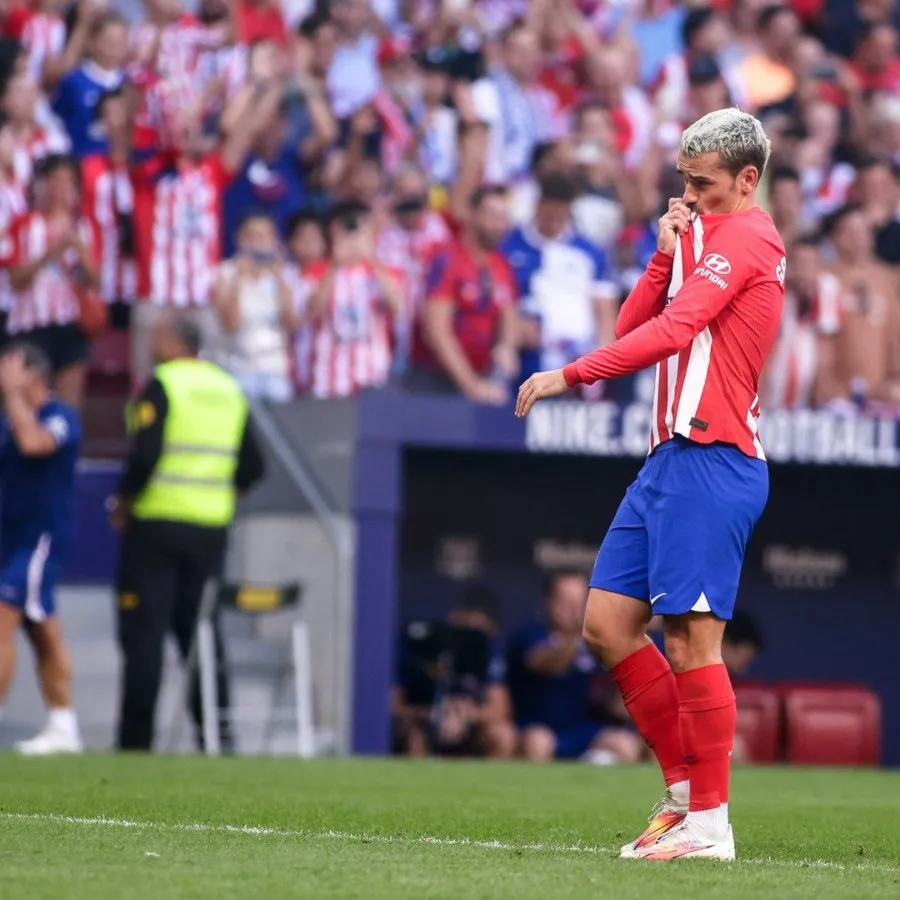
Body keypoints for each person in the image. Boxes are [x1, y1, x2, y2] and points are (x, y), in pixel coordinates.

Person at [515, 108, 786, 861]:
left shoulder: (751, 238)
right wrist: (664, 257)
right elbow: (640, 320)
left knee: (694, 641)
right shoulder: (701, 235)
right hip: (667, 458)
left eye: (702, 183)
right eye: (683, 181)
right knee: (605, 623)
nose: (689, 195)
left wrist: (565, 374)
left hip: (715, 456)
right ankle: (679, 797)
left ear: (746, 180)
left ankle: (710, 823)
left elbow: (667, 335)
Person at [108, 313, 266, 752]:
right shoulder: (228, 388)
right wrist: (222, 496)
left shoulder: (164, 384)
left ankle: (136, 742)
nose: (153, 342)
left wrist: (123, 501)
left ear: (176, 341)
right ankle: (218, 738)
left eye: (158, 334)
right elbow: (254, 465)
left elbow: (145, 455)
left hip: (156, 525)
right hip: (210, 531)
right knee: (203, 637)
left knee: (145, 634)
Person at [0, 342, 82, 754]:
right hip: (7, 537)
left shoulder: (59, 417)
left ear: (32, 374)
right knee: (44, 631)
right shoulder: (5, 422)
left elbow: (34, 444)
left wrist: (15, 396)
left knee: (2, 621)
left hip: (38, 539)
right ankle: (64, 724)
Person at [507, 570, 644, 765]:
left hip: (583, 728)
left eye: (578, 601)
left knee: (625, 744)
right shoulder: (530, 634)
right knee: (538, 741)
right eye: (564, 601)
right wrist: (575, 633)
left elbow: (615, 695)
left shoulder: (598, 639)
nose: (572, 609)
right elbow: (549, 664)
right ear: (548, 601)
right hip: (540, 726)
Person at [393, 584, 516, 760]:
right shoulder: (423, 644)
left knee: (503, 735)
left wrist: (466, 716)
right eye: (465, 626)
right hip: (426, 721)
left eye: (476, 632)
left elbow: (500, 708)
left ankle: (491, 787)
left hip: (470, 727)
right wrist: (433, 713)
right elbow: (394, 705)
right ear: (453, 618)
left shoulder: (489, 650)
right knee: (416, 736)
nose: (470, 637)